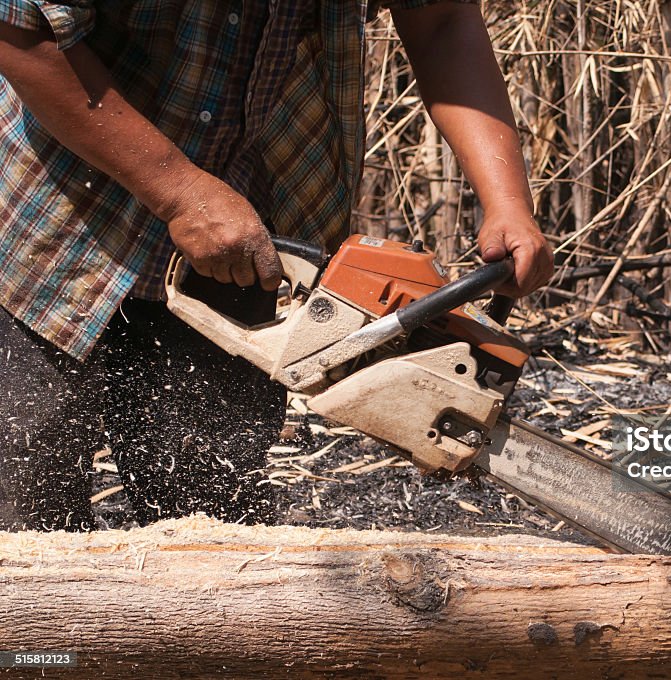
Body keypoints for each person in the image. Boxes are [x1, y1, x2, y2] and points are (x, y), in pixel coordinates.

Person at [0, 0, 553, 531]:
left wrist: (507, 201)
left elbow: (441, 20)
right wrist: (181, 194)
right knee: (23, 506)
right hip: (60, 229)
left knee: (209, 519)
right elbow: (20, 27)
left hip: (255, 247)